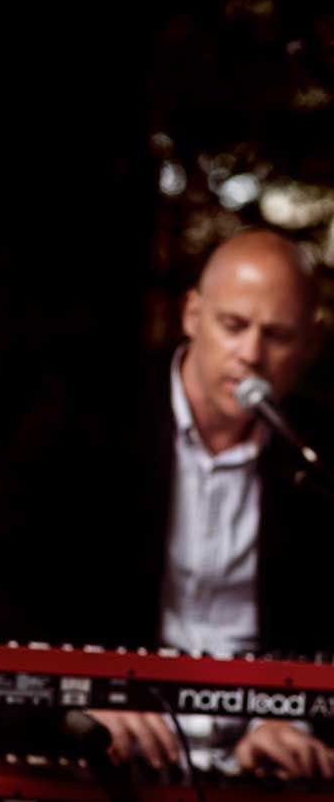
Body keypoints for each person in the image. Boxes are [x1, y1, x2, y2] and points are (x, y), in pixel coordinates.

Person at [86, 229, 334, 781]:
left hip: (263, 768)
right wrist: (92, 700)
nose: (252, 355)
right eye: (233, 325)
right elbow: (2, 591)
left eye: (278, 335)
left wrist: (293, 721)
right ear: (193, 315)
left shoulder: (316, 457)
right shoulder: (92, 423)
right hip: (121, 760)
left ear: (311, 342)